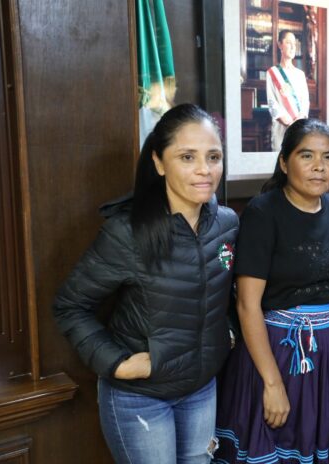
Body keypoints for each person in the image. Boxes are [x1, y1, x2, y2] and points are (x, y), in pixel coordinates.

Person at [52, 104, 238, 464]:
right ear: (158, 162)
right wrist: (118, 364)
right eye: (187, 157)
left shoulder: (227, 225)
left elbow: (225, 291)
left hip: (201, 388)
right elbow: (70, 307)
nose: (205, 169)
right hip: (140, 397)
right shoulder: (128, 232)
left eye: (213, 157)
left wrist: (227, 333)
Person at [214, 119, 329, 463]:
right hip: (279, 350)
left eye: (328, 157)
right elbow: (247, 305)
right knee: (284, 441)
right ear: (284, 162)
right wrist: (272, 382)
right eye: (306, 156)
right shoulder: (263, 213)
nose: (319, 166)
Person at [266, 30, 310, 151]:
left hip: (298, 129)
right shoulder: (272, 73)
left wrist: (298, 121)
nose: (292, 47)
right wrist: (287, 121)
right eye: (288, 43)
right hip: (281, 129)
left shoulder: (300, 75)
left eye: (294, 44)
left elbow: (305, 102)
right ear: (280, 45)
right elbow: (272, 102)